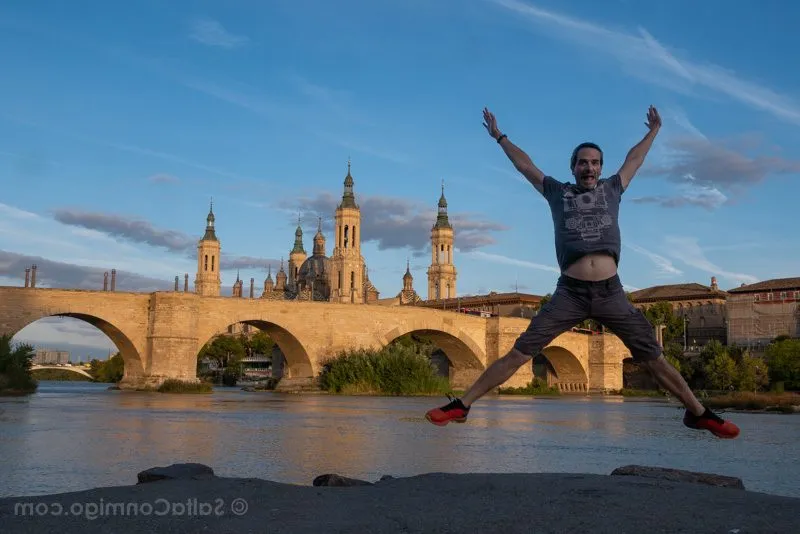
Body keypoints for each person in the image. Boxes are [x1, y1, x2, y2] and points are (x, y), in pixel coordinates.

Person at [424, 105, 740, 439]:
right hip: (570, 294)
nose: (589, 167)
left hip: (611, 292)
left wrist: (653, 132)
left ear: (601, 168)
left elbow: (634, 160)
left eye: (595, 163)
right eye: (583, 162)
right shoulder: (558, 193)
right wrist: (500, 137)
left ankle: (699, 413)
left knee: (653, 357)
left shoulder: (613, 189)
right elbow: (525, 166)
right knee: (519, 352)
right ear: (573, 168)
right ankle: (463, 404)